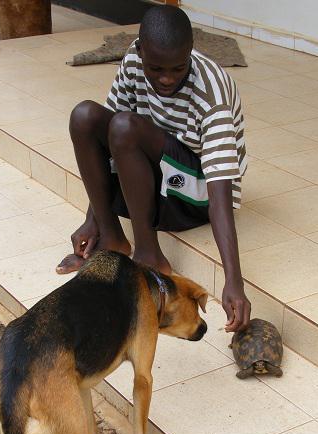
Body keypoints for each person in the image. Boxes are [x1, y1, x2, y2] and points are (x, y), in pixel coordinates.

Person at [56, 4, 251, 332]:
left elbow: (219, 192)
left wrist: (234, 280)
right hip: (151, 176)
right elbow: (107, 140)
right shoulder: (132, 60)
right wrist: (93, 219)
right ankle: (112, 238)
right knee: (86, 116)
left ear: (190, 52)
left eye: (178, 68)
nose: (166, 79)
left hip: (195, 195)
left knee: (124, 127)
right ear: (140, 48)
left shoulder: (212, 92)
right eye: (156, 68)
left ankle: (149, 254)